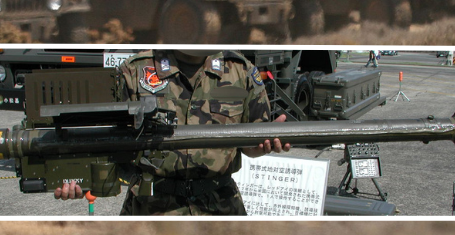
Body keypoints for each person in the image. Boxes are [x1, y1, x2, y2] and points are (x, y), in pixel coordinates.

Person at [55, 49, 290, 216]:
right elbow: (106, 142)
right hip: (151, 207)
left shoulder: (241, 71)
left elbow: (250, 144)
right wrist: (79, 176)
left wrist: (264, 146)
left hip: (220, 207)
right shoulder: (135, 71)